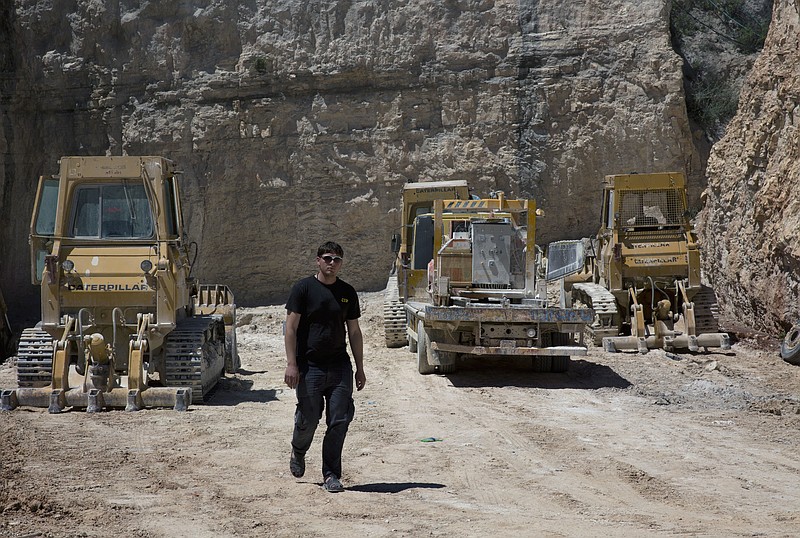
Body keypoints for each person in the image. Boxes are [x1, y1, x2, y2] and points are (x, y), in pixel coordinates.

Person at [284, 241, 365, 493]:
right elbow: (291, 328)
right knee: (309, 418)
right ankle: (298, 450)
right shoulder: (303, 289)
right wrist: (291, 364)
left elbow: (354, 331)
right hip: (310, 366)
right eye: (327, 258)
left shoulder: (347, 292)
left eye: (337, 259)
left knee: (340, 419)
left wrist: (360, 368)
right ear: (317, 260)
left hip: (340, 366)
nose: (332, 263)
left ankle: (331, 474)